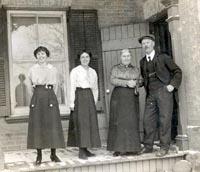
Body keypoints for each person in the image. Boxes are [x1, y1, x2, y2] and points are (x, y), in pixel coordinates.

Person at [139, 34, 182, 157]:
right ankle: (148, 146)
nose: (145, 45)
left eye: (147, 42)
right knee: (148, 120)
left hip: (164, 92)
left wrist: (172, 85)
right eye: (143, 43)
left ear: (153, 44)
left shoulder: (163, 57)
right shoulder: (142, 61)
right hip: (151, 94)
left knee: (165, 120)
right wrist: (141, 83)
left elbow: (177, 71)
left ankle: (164, 147)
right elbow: (145, 77)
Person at [27, 46, 65, 165]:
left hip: (50, 96)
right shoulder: (32, 69)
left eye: (43, 54)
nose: (41, 56)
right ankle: (39, 155)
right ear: (36, 56)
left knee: (52, 124)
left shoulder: (53, 69)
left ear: (47, 55)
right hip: (38, 96)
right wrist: (35, 98)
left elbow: (57, 85)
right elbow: (29, 87)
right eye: (38, 54)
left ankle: (53, 154)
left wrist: (53, 98)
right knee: (38, 125)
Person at [107, 49, 141, 156]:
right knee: (119, 121)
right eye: (124, 56)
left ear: (130, 57)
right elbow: (113, 80)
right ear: (121, 58)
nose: (126, 58)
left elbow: (141, 80)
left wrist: (135, 83)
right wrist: (127, 83)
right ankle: (118, 148)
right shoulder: (115, 68)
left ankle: (133, 148)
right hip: (119, 97)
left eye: (128, 56)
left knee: (131, 121)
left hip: (131, 98)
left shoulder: (135, 69)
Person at [67, 51, 101, 160]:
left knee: (89, 123)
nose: (85, 59)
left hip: (89, 97)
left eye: (87, 57)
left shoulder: (93, 72)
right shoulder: (75, 71)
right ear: (79, 59)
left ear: (90, 59)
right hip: (79, 96)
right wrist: (71, 102)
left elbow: (95, 88)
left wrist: (94, 101)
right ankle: (81, 150)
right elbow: (71, 87)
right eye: (83, 57)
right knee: (81, 123)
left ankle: (86, 148)